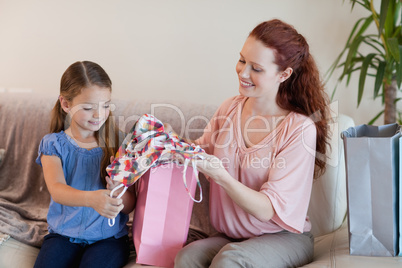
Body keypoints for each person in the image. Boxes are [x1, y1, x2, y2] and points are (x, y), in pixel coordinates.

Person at [175, 19, 330, 268]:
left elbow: (267, 210)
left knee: (229, 260)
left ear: (284, 74)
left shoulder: (299, 129)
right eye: (242, 60)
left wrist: (222, 176)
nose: (243, 72)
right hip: (232, 236)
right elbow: (200, 149)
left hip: (282, 237)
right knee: (187, 256)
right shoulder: (230, 108)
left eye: (256, 68)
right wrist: (169, 142)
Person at [34, 61, 135, 268]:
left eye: (106, 105)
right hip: (62, 235)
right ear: (66, 104)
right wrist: (91, 199)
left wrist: (117, 192)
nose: (99, 115)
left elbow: (131, 204)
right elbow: (57, 190)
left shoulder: (120, 144)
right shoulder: (53, 144)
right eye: (88, 108)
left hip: (109, 239)